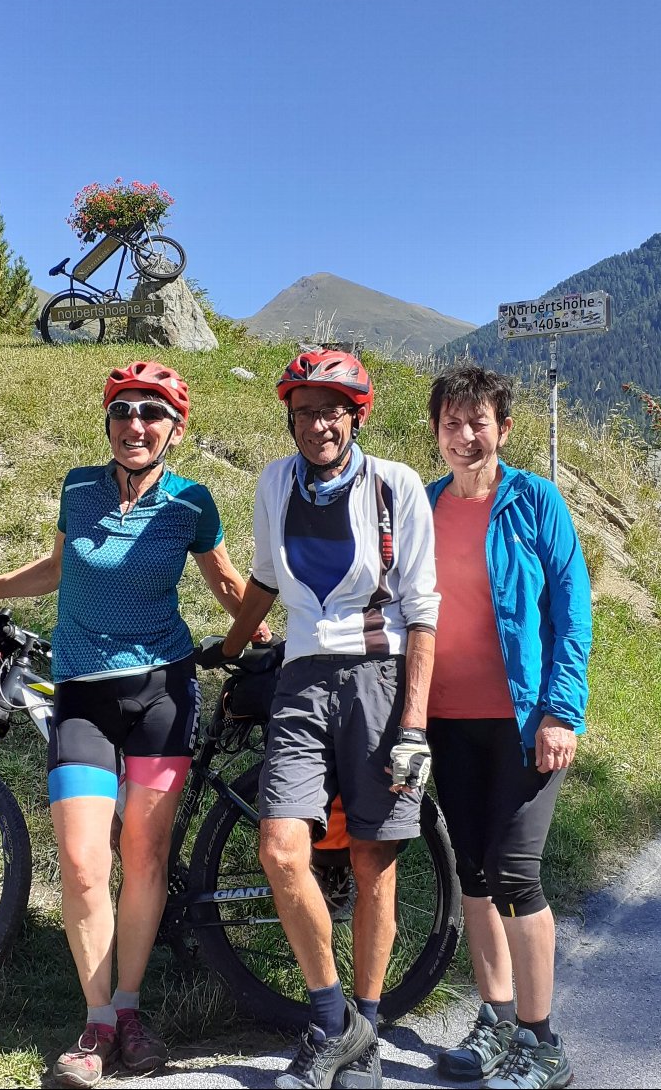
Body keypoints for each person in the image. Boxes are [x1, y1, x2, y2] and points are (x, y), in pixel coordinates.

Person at [0, 360, 270, 1088]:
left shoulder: (191, 503)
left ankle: (130, 1007)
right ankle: (96, 1026)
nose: (136, 426)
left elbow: (226, 581)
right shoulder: (78, 487)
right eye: (123, 412)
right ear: (108, 422)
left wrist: (266, 632)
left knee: (143, 857)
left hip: (162, 694)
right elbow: (54, 568)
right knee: (86, 864)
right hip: (83, 696)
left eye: (152, 414)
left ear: (175, 429)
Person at [200, 349, 440, 1090]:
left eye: (332, 409)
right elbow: (267, 578)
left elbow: (424, 615)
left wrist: (413, 726)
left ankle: (363, 1037)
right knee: (280, 850)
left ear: (355, 415)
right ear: (290, 418)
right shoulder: (275, 480)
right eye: (305, 410)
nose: (318, 423)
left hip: (378, 675)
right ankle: (331, 1019)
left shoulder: (394, 486)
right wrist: (229, 647)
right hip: (301, 679)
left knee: (371, 864)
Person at [425, 363, 591, 1090]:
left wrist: (561, 709)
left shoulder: (534, 500)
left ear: (503, 429)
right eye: (452, 423)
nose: (465, 436)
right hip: (444, 718)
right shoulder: (422, 504)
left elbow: (570, 608)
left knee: (517, 874)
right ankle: (495, 1021)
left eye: (478, 422)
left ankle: (541, 1044)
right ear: (435, 432)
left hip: (522, 723)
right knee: (473, 872)